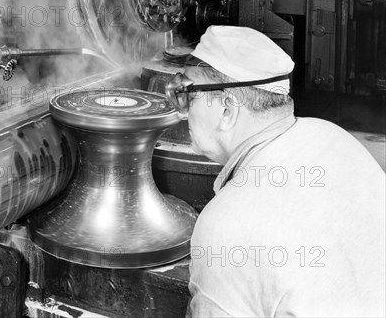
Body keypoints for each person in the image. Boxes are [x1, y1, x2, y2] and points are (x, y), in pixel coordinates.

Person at [165, 25, 386, 317]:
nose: (183, 110)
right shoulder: (335, 137)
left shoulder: (225, 227)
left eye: (188, 94)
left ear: (227, 111)